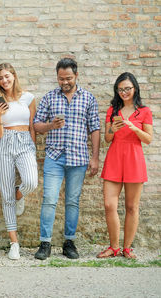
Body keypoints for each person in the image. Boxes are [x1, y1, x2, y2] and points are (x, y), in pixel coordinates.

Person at [33, 58, 100, 260]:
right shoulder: (49, 98)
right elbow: (36, 125)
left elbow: (95, 128)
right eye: (61, 79)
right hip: (54, 156)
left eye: (68, 78)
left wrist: (95, 157)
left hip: (79, 158)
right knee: (49, 200)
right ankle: (45, 243)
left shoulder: (88, 98)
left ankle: (69, 242)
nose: (65, 82)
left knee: (72, 202)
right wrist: (50, 126)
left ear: (76, 76)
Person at [97, 72, 153, 259]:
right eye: (120, 89)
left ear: (134, 88)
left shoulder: (144, 111)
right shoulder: (113, 110)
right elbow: (107, 138)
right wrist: (113, 128)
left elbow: (148, 139)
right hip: (114, 157)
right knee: (109, 205)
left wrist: (134, 127)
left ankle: (127, 248)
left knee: (131, 207)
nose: (124, 92)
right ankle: (113, 247)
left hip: (134, 159)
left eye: (127, 88)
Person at [0, 63, 38, 260]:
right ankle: (14, 243)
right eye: (1, 78)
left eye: (7, 76)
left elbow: (32, 126)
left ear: (14, 76)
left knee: (31, 182)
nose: (4, 81)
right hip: (4, 144)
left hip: (25, 142)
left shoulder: (28, 98)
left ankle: (20, 195)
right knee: (6, 196)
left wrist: (33, 148)